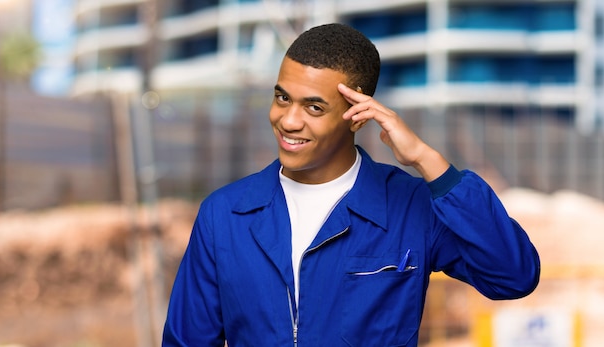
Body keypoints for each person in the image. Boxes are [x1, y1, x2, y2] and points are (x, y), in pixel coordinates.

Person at [162, 23, 540, 346]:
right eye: (282, 98)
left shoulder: (411, 208)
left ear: (357, 116)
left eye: (314, 107)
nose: (288, 121)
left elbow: (514, 276)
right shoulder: (224, 214)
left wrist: (428, 160)